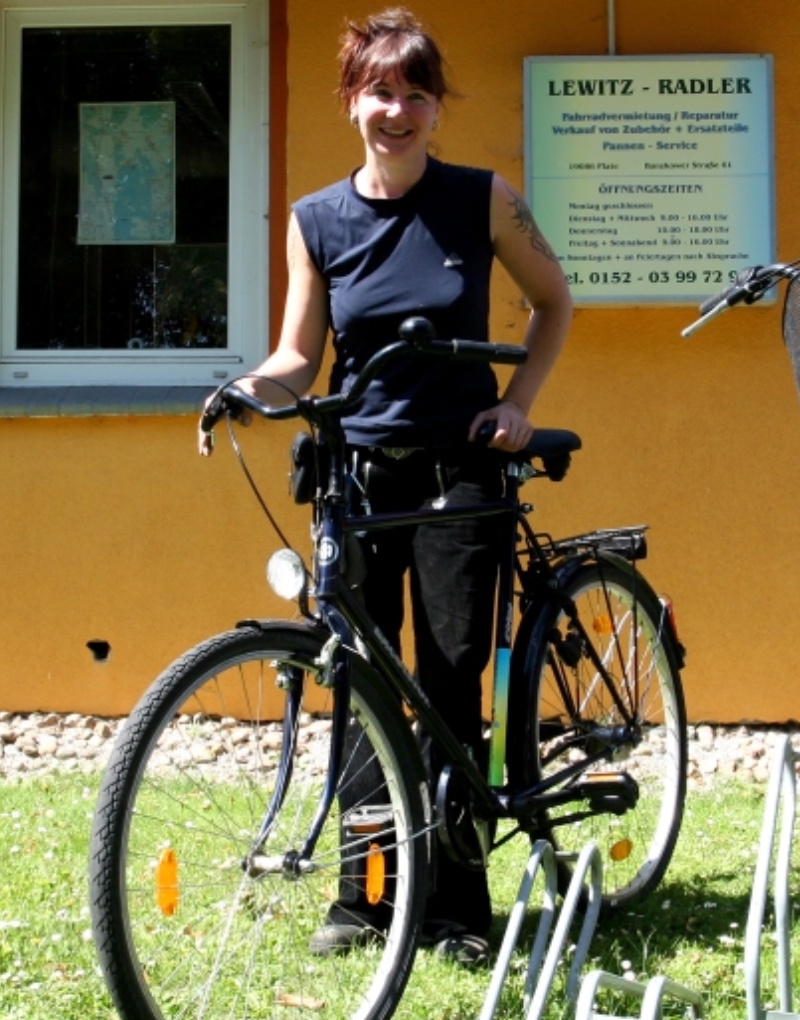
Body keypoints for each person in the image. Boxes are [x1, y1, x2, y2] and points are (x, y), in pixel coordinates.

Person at [199, 8, 572, 964]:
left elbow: (552, 300)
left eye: (415, 91)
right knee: (358, 684)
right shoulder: (315, 221)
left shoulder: (481, 199)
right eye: (379, 90)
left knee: (450, 687)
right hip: (357, 478)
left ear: (437, 106)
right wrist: (245, 391)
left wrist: (519, 403)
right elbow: (297, 352)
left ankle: (454, 907)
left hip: (460, 475)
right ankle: (367, 898)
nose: (396, 109)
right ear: (351, 102)